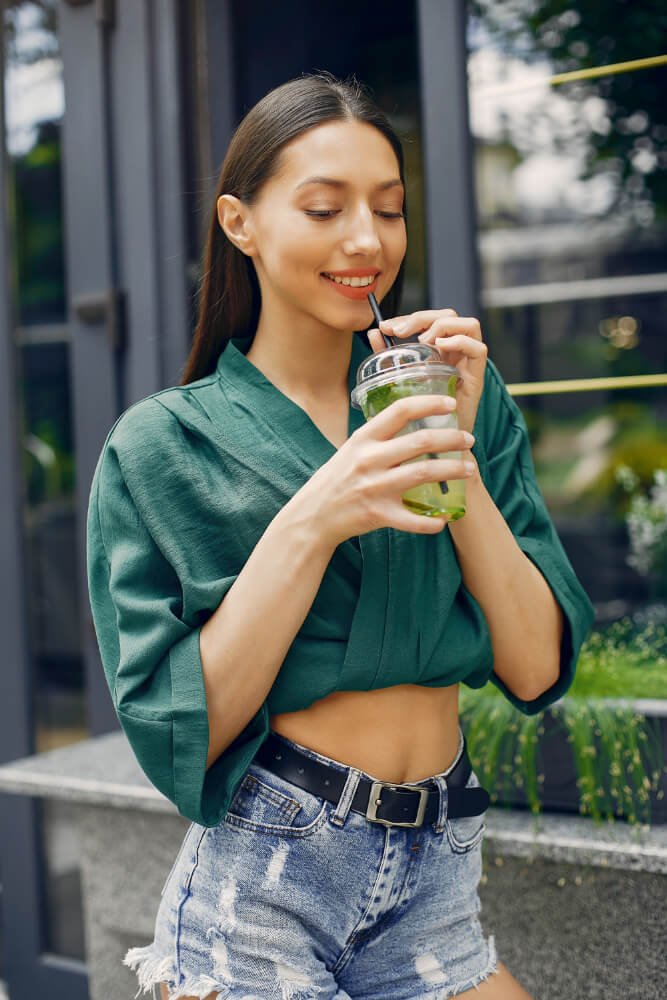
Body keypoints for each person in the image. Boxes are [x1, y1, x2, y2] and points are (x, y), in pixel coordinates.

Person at [86, 72, 595, 1000]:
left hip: (438, 874)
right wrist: (317, 516)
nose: (366, 241)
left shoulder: (460, 400)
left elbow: (531, 666)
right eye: (324, 209)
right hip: (264, 885)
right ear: (239, 223)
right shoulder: (165, 444)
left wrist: (458, 456)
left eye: (389, 210)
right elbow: (178, 733)